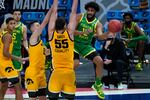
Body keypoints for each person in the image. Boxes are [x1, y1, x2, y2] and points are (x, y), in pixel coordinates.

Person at [74, 1, 110, 99]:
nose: (89, 12)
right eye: (88, 10)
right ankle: (68, 82)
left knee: (99, 61)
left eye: (92, 11)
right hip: (74, 44)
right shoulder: (80, 17)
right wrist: (83, 32)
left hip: (86, 46)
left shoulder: (97, 24)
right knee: (75, 64)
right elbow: (71, 31)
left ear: (95, 12)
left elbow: (100, 36)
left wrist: (109, 32)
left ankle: (97, 84)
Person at [48, 0, 80, 99]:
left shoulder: (51, 33)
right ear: (65, 25)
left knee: (53, 98)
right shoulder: (69, 33)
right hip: (69, 73)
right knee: (70, 98)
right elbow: (73, 12)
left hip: (57, 72)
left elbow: (54, 13)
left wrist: (56, 1)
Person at [25, 6, 53, 100]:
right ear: (32, 29)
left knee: (43, 97)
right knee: (33, 98)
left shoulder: (41, 43)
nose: (39, 26)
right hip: (33, 73)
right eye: (37, 25)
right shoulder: (33, 38)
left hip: (41, 73)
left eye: (39, 25)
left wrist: (48, 54)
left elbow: (46, 55)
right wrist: (52, 9)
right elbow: (45, 22)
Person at [0, 17, 24, 100]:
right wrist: (18, 58)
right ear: (6, 25)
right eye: (11, 24)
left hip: (2, 62)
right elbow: (5, 53)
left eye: (14, 23)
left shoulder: (4, 32)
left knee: (4, 84)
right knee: (17, 85)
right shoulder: (8, 36)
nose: (13, 25)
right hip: (5, 63)